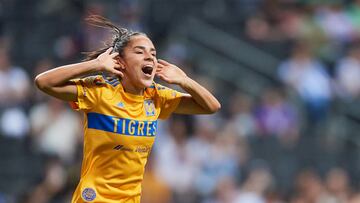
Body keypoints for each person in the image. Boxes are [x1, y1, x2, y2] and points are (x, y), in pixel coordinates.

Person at [34, 15, 221, 203]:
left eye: (153, 54)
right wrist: (94, 65)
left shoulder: (157, 97)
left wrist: (184, 80)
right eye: (139, 52)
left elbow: (211, 106)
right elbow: (43, 82)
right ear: (120, 62)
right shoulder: (100, 93)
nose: (149, 57)